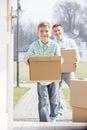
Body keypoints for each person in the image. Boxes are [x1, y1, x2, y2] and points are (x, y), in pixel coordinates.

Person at [24, 22, 61, 122]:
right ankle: (44, 121)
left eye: (46, 31)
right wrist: (27, 60)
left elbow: (59, 58)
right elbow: (27, 56)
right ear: (38, 33)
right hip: (41, 78)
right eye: (41, 31)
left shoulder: (55, 45)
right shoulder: (34, 45)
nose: (44, 33)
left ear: (50, 33)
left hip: (53, 77)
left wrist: (60, 61)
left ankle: (53, 116)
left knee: (54, 99)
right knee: (43, 100)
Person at [52, 24, 80, 111]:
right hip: (56, 71)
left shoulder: (70, 41)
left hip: (69, 71)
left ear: (62, 30)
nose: (57, 32)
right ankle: (58, 110)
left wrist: (77, 61)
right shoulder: (52, 43)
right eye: (55, 31)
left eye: (58, 30)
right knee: (55, 92)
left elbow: (76, 53)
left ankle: (78, 108)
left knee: (75, 89)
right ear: (53, 33)